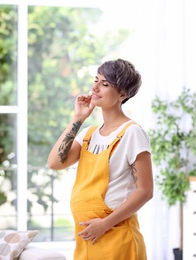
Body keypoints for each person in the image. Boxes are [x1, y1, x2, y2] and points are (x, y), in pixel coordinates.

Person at [47, 58, 153, 260]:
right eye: (96, 80)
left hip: (116, 236)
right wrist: (78, 118)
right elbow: (54, 163)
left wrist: (104, 224)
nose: (95, 87)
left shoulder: (132, 133)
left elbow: (145, 191)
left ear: (122, 94)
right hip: (87, 238)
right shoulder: (89, 133)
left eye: (105, 84)